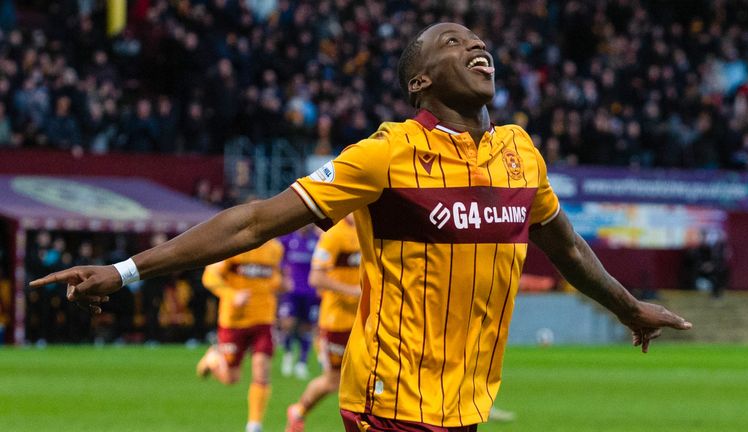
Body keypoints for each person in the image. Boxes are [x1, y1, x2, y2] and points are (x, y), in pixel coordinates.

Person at [32, 22, 692, 432]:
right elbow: (256, 221)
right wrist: (124, 272)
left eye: (477, 39)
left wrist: (631, 309)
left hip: (465, 404)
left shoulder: (521, 152)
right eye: (452, 42)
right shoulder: (386, 153)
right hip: (388, 401)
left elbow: (567, 247)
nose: (475, 45)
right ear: (421, 81)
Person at [194, 238, 287, 432]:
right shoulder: (234, 247)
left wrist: (281, 283)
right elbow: (209, 277)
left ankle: (254, 424)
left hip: (264, 318)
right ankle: (213, 358)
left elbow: (272, 278)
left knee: (262, 369)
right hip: (234, 320)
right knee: (231, 378)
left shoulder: (275, 248)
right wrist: (231, 295)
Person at [286, 215, 361, 431]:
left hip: (366, 320)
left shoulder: (370, 229)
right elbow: (316, 278)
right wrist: (353, 292)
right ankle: (298, 410)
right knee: (332, 381)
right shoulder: (334, 235)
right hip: (337, 321)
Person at [277, 224, 320, 379]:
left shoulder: (317, 240)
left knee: (307, 327)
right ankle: (288, 354)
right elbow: (279, 261)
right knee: (288, 323)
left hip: (310, 292)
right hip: (292, 292)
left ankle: (302, 362)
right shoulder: (288, 240)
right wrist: (283, 279)